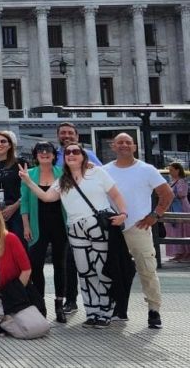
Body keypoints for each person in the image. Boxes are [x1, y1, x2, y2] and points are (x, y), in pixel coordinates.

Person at [19, 142, 128, 327]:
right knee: (85, 272)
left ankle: (106, 310)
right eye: (68, 152)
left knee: (101, 268)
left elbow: (116, 195)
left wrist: (123, 213)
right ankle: (92, 310)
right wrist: (28, 181)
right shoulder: (63, 180)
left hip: (97, 225)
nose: (71, 155)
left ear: (83, 156)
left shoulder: (97, 172)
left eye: (75, 151)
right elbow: (46, 197)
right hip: (75, 228)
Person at [104, 133, 173, 329]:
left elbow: (167, 193)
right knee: (113, 270)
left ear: (134, 147)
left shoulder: (147, 169)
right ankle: (118, 308)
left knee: (147, 269)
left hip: (139, 226)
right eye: (120, 143)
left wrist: (155, 215)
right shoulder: (104, 170)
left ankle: (154, 309)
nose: (124, 145)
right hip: (114, 227)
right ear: (113, 146)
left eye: (128, 142)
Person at [54, 121, 100, 315]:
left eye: (70, 133)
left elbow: (100, 178)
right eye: (63, 133)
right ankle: (70, 299)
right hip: (61, 214)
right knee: (68, 261)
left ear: (77, 137)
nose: (66, 136)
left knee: (90, 260)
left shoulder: (88, 155)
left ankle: (99, 301)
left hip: (84, 215)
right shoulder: (52, 154)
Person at [19, 141, 67, 322]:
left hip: (59, 223)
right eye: (40, 151)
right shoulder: (29, 174)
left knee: (60, 265)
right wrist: (26, 225)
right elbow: (24, 201)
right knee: (36, 265)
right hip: (38, 223)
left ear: (54, 155)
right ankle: (40, 304)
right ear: (35, 155)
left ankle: (59, 304)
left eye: (48, 151)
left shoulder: (62, 173)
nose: (44, 153)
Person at [0, 130, 25, 241]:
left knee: (19, 244)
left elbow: (28, 189)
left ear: (10, 145)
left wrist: (14, 207)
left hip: (18, 212)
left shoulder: (20, 163)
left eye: (3, 141)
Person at [165, 162, 190, 261]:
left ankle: (186, 252)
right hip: (173, 207)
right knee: (175, 231)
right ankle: (178, 252)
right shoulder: (172, 181)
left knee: (183, 230)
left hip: (181, 207)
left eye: (171, 170)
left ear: (177, 170)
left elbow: (182, 193)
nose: (170, 172)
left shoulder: (181, 181)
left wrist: (170, 194)